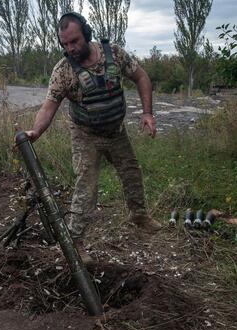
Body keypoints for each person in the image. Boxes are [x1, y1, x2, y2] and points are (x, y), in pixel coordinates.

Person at [24, 12, 161, 263]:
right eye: (64, 44)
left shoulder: (115, 54)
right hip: (85, 135)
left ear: (86, 34)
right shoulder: (63, 71)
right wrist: (36, 131)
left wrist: (148, 113)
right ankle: (76, 243)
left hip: (116, 131)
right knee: (86, 187)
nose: (70, 48)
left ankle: (139, 216)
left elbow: (141, 77)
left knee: (132, 172)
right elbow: (48, 106)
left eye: (74, 41)